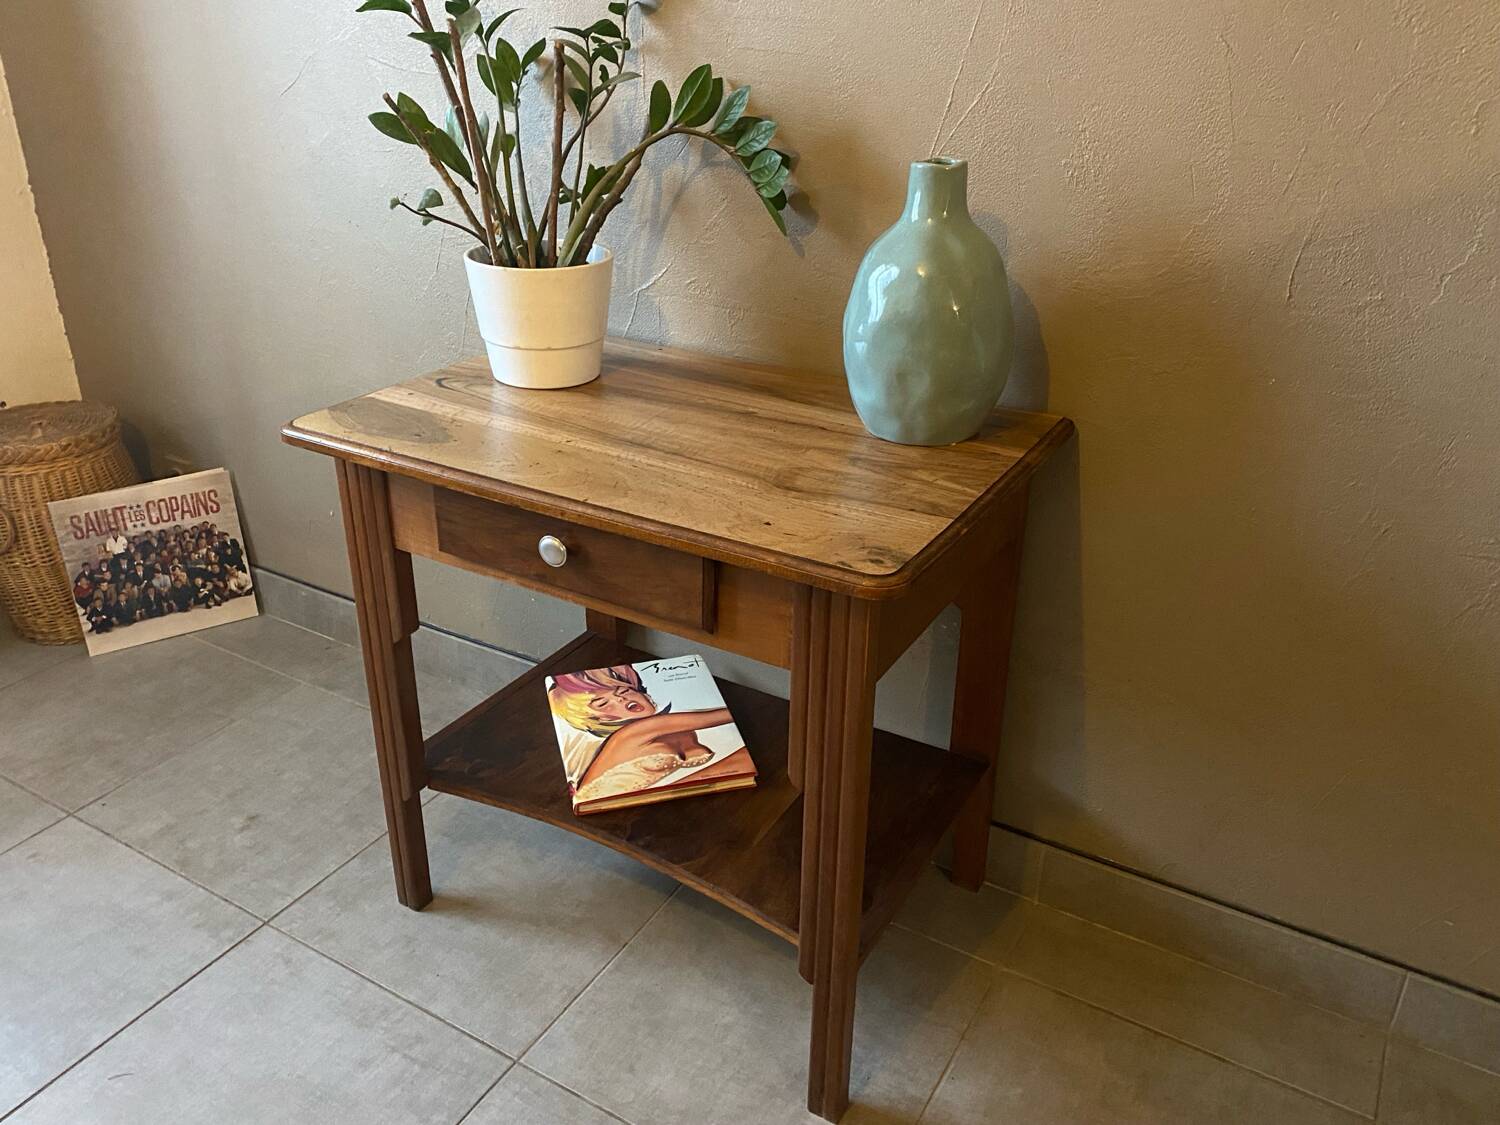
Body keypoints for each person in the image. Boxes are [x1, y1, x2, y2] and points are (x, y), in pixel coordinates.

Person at [546, 665, 740, 803]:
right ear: (601, 720)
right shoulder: (634, 732)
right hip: (602, 806)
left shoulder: (673, 727)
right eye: (603, 703)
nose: (621, 698)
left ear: (644, 694)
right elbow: (718, 716)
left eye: (624, 690)